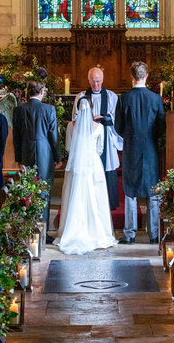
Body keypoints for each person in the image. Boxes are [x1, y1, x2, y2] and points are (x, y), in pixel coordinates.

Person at [55, 98, 119, 255]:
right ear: (91, 109)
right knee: (95, 197)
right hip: (93, 165)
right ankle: (97, 231)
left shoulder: (71, 125)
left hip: (76, 165)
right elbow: (100, 149)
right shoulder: (99, 127)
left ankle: (71, 230)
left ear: (77, 108)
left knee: (74, 196)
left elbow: (69, 148)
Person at [115, 61, 166, 244]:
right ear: (146, 77)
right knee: (152, 191)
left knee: (130, 191)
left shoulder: (124, 99)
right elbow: (161, 126)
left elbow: (118, 126)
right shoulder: (155, 99)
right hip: (150, 149)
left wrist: (131, 136)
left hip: (131, 148)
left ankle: (129, 234)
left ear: (132, 77)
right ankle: (153, 234)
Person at [12, 80, 63, 241]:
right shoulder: (49, 109)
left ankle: (28, 229)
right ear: (41, 92)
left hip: (27, 154)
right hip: (45, 155)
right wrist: (58, 157)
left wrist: (18, 158)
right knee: (44, 191)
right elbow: (53, 137)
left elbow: (16, 137)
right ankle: (43, 231)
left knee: (28, 191)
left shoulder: (19, 109)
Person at [71, 67, 123, 210]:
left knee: (107, 166)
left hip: (106, 136)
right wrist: (88, 120)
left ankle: (109, 203)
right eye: (93, 82)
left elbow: (117, 118)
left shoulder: (112, 96)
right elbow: (75, 118)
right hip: (88, 138)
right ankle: (89, 203)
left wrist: (105, 118)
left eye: (98, 81)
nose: (96, 85)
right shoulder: (81, 97)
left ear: (103, 79)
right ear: (88, 80)